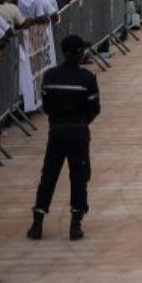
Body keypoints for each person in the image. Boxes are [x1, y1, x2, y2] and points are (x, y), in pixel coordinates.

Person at [29, 33, 102, 241]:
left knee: (49, 175)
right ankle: (75, 224)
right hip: (78, 131)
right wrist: (81, 122)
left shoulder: (50, 76)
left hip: (57, 131)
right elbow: (94, 109)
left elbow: (47, 105)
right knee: (79, 175)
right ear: (79, 53)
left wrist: (59, 119)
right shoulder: (87, 78)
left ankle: (37, 223)